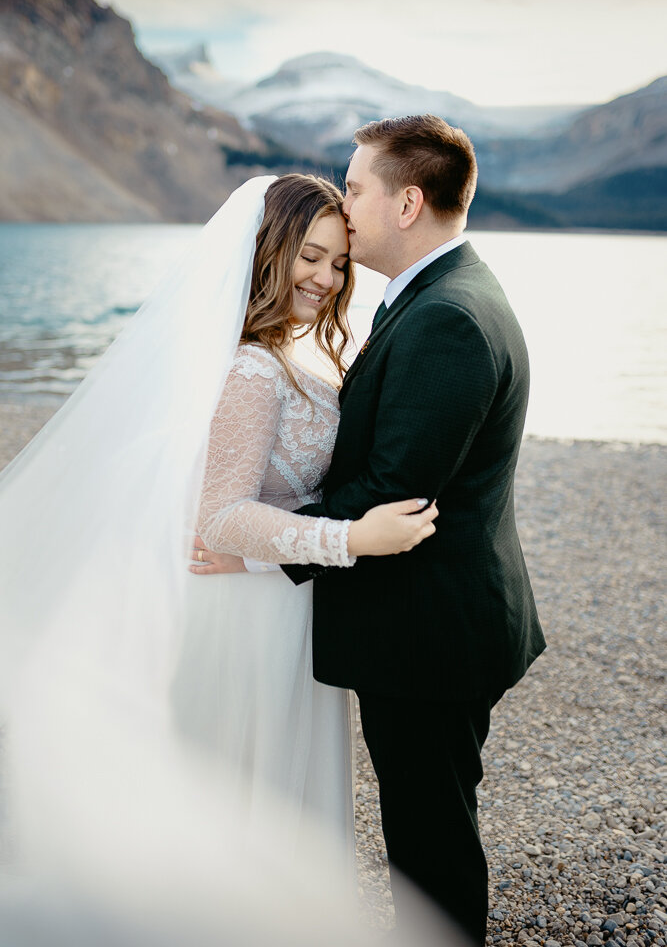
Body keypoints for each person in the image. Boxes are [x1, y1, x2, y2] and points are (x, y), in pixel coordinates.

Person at [0, 173, 438, 940]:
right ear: (268, 252)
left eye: (338, 263)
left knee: (270, 803)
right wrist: (349, 538)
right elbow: (221, 515)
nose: (324, 278)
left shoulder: (291, 356)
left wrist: (276, 554)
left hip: (273, 600)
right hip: (244, 624)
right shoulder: (250, 369)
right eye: (309, 255)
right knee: (248, 793)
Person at [193, 115, 547, 945]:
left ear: (407, 202)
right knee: (427, 827)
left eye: (353, 190)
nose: (343, 209)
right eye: (311, 251)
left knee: (428, 846)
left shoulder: (446, 317)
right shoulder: (433, 295)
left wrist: (257, 557)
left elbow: (394, 491)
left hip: (428, 628)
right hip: (431, 616)